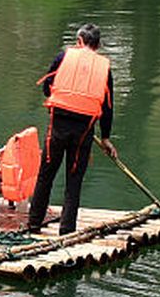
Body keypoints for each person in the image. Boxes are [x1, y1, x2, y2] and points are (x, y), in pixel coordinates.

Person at [28, 22, 120, 235]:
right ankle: (66, 231)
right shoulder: (104, 69)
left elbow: (46, 88)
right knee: (74, 179)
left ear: (79, 41)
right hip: (83, 131)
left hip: (58, 125)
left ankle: (33, 225)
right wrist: (105, 138)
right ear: (98, 45)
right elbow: (107, 107)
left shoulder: (63, 58)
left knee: (46, 175)